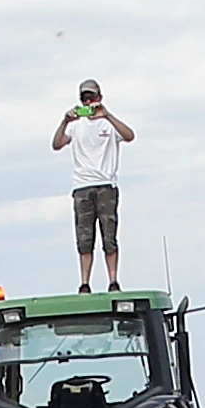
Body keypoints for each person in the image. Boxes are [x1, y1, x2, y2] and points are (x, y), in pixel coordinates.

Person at [54, 80, 132, 292]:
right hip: (82, 186)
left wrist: (107, 115)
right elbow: (57, 144)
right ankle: (85, 282)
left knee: (109, 236)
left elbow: (129, 135)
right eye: (84, 99)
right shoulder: (76, 126)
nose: (89, 102)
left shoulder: (109, 125)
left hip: (106, 184)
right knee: (84, 238)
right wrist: (65, 120)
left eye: (92, 98)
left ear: (99, 98)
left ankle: (113, 280)